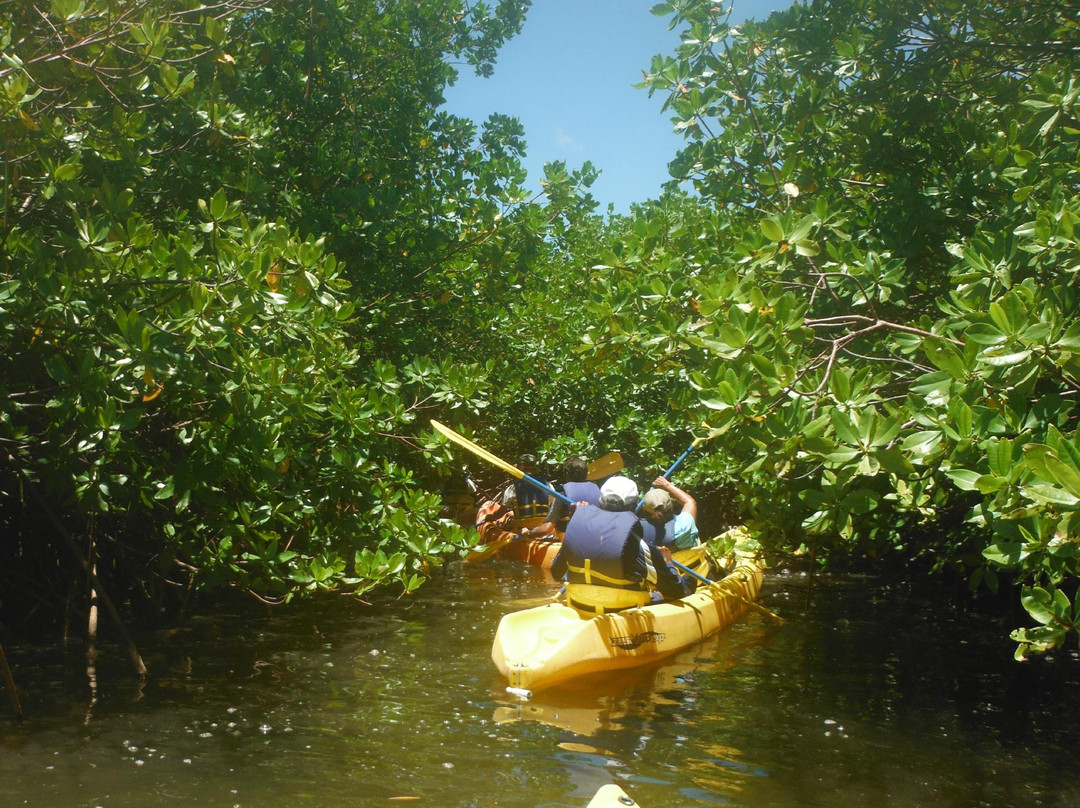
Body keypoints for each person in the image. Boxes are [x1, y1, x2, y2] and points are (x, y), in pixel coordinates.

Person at [550, 475, 692, 614]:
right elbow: (676, 590)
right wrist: (667, 563)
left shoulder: (577, 529)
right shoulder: (640, 547)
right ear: (634, 506)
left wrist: (577, 521)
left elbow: (556, 573)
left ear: (600, 501)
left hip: (580, 605)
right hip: (623, 611)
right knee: (683, 584)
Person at [521, 456, 600, 540]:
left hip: (568, 542)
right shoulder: (598, 491)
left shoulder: (562, 494)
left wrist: (529, 533)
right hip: (596, 541)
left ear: (566, 473)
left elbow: (547, 529)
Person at [638, 476, 700, 550]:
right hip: (692, 559)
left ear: (644, 512)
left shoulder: (637, 531)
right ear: (672, 507)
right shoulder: (683, 527)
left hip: (663, 561)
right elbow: (689, 502)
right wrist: (667, 485)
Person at [499, 453, 551, 521]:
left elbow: (502, 511)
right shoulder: (548, 485)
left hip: (521, 528)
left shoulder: (512, 488)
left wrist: (491, 517)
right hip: (543, 526)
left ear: (519, 470)